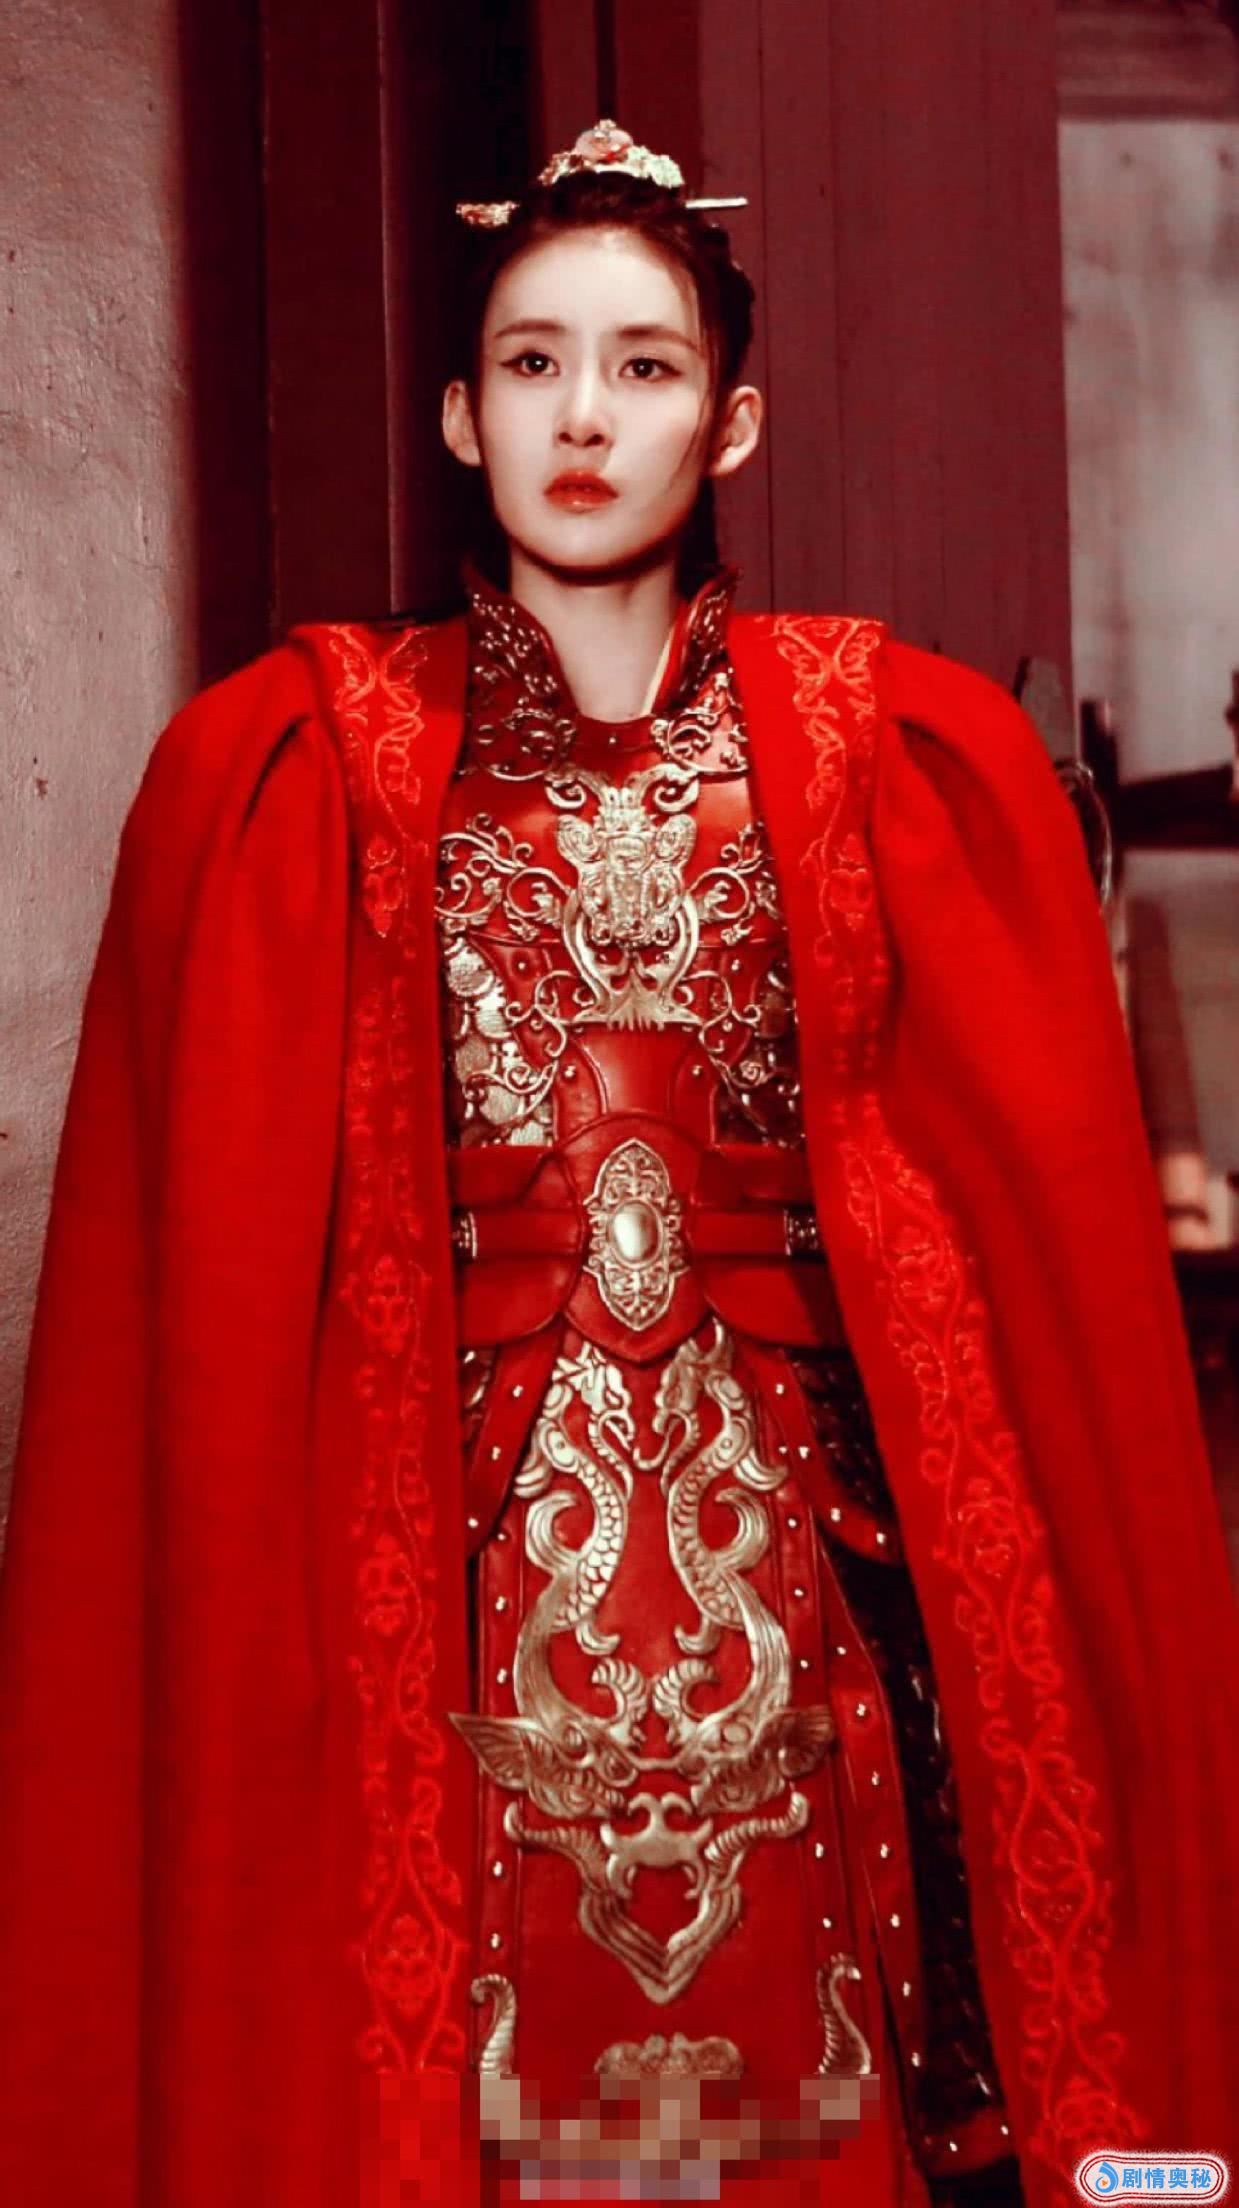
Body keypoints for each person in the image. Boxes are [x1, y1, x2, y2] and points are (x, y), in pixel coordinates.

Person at [0, 119, 1235, 2208]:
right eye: (534, 364)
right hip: (440, 1572)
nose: (585, 417)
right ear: (460, 417)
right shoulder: (293, 770)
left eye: (643, 366)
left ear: (729, 424)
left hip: (807, 1574)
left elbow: (1032, 1258)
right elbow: (189, 1315)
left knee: (825, 2107)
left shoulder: (891, 757)